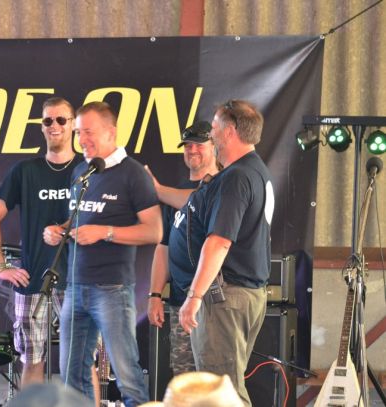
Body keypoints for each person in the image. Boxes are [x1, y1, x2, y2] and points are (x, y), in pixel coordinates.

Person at [44, 101, 162, 407]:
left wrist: (105, 232)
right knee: (71, 375)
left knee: (127, 375)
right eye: (78, 132)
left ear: (111, 132)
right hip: (75, 286)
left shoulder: (133, 173)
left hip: (112, 288)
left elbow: (154, 231)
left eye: (88, 132)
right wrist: (59, 230)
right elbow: (80, 217)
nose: (81, 139)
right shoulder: (82, 171)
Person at [0, 97, 83, 387]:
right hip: (33, 281)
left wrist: (64, 230)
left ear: (73, 125)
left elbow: (104, 217)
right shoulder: (25, 170)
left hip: (78, 280)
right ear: (41, 126)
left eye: (61, 119)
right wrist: (1, 267)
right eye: (48, 120)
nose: (54, 125)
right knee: (31, 360)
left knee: (80, 362)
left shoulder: (86, 169)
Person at [179, 100, 273, 406]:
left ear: (230, 131)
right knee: (224, 388)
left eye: (215, 127)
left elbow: (219, 242)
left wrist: (194, 296)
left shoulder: (237, 177)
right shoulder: (257, 171)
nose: (212, 133)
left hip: (226, 298)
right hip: (244, 295)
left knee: (220, 393)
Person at [146, 121, 220, 376]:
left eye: (199, 144)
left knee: (214, 379)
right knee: (185, 378)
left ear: (215, 146)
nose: (192, 150)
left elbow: (200, 201)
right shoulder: (173, 193)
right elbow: (163, 245)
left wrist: (158, 190)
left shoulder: (223, 186)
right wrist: (155, 295)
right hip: (180, 302)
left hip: (213, 302)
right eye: (187, 145)